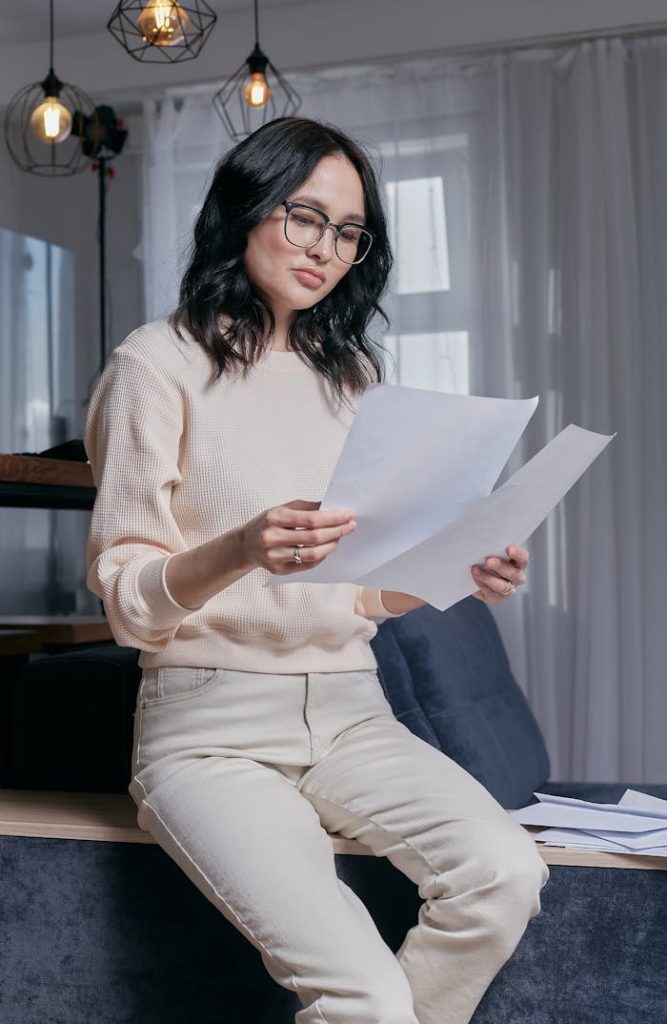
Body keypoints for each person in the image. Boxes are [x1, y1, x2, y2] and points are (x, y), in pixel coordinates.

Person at [84, 116, 549, 1024]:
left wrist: (460, 568)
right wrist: (238, 548)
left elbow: (364, 592)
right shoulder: (155, 364)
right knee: (362, 995)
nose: (325, 249)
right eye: (304, 217)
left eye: (347, 231)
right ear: (244, 209)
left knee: (504, 873)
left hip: (351, 714)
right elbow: (128, 605)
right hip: (208, 729)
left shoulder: (351, 377)